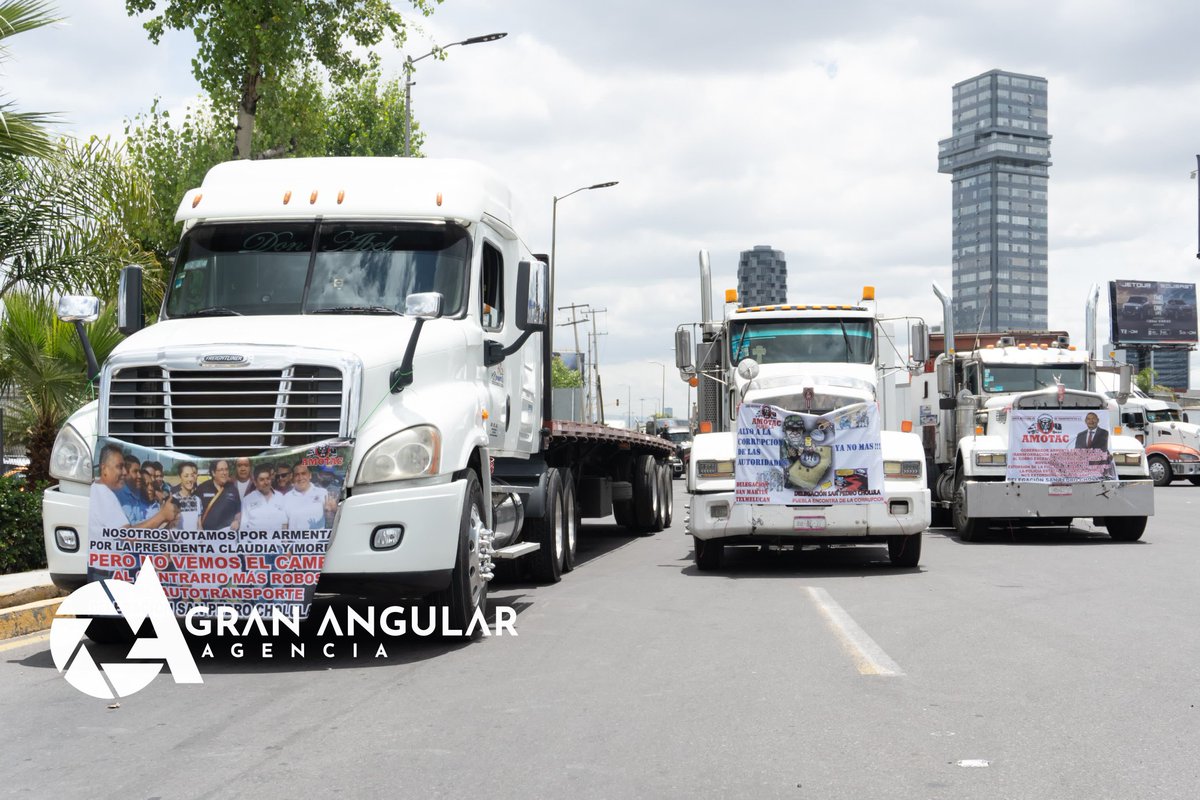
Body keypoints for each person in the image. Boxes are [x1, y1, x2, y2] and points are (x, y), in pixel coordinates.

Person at [90, 444, 179, 533]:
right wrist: (162, 516)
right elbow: (127, 535)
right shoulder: (106, 495)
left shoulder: (110, 492)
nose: (124, 472)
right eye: (120, 467)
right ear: (104, 468)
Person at [282, 462, 337, 531]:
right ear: (293, 478)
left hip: (319, 538)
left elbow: (332, 521)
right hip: (294, 538)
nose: (300, 477)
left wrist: (333, 510)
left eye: (303, 473)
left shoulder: (323, 493)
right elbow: (284, 526)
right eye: (297, 475)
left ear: (310, 475)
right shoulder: (286, 498)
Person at [196, 459, 241, 530]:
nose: (224, 473)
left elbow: (238, 511)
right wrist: (199, 528)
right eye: (221, 470)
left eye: (226, 469)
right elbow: (196, 512)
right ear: (213, 473)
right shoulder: (202, 488)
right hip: (207, 534)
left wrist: (237, 521)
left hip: (227, 533)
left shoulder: (233, 489)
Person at [242, 464, 288, 533]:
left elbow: (284, 524)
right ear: (255, 482)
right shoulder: (247, 500)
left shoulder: (280, 497)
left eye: (268, 479)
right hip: (256, 540)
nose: (266, 482)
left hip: (277, 539)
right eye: (262, 480)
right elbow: (243, 527)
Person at [172, 461, 203, 530]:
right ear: (180, 477)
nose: (190, 479)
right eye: (186, 476)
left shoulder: (197, 500)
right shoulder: (173, 499)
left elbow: (199, 525)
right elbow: (170, 526)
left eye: (192, 475)